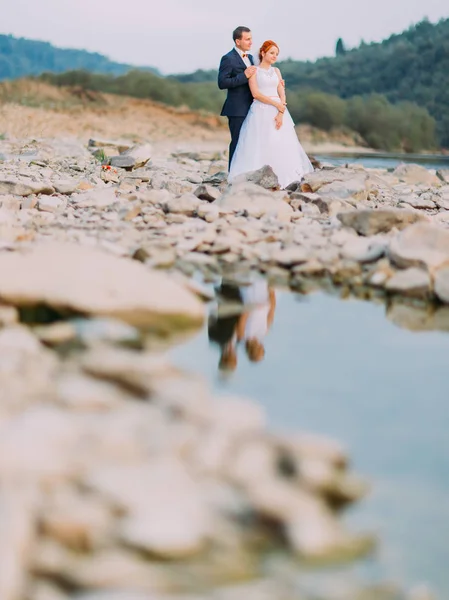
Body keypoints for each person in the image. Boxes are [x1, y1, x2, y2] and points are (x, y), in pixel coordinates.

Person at [228, 40, 314, 189]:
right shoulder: (254, 71)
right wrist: (275, 104)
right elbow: (256, 94)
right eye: (272, 53)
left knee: (281, 142)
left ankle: (286, 177)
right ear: (263, 53)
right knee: (262, 141)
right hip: (261, 109)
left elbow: (282, 91)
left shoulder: (277, 71)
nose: (274, 56)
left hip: (279, 110)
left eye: (276, 54)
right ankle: (260, 176)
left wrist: (281, 111)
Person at [218, 26, 257, 168]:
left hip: (252, 107)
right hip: (236, 109)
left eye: (251, 39)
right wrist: (244, 75)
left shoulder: (251, 58)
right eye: (247, 39)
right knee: (238, 141)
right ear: (237, 41)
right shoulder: (228, 58)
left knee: (249, 141)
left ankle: (246, 171)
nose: (251, 42)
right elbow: (222, 83)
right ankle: (233, 174)